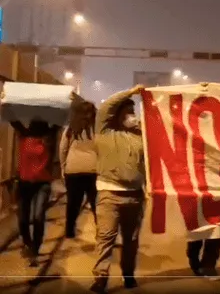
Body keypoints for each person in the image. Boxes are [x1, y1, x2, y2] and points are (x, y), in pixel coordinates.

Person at [90, 85, 145, 294]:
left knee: (131, 240)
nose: (132, 116)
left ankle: (128, 275)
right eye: (128, 111)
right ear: (119, 114)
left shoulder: (139, 136)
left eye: (134, 112)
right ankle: (101, 278)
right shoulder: (104, 131)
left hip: (135, 196)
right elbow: (106, 106)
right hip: (109, 194)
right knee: (106, 237)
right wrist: (131, 92)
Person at [10, 120, 60, 267]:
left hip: (42, 184)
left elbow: (57, 123)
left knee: (38, 216)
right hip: (25, 183)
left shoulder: (48, 139)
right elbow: (15, 122)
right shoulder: (24, 137)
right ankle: (27, 243)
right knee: (23, 219)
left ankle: (35, 249)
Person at [59, 101, 98, 238]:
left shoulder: (71, 128)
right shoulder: (98, 128)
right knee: (96, 203)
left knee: (73, 203)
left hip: (73, 169)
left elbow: (63, 148)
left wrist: (63, 167)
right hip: (93, 170)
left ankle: (69, 231)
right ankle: (102, 232)